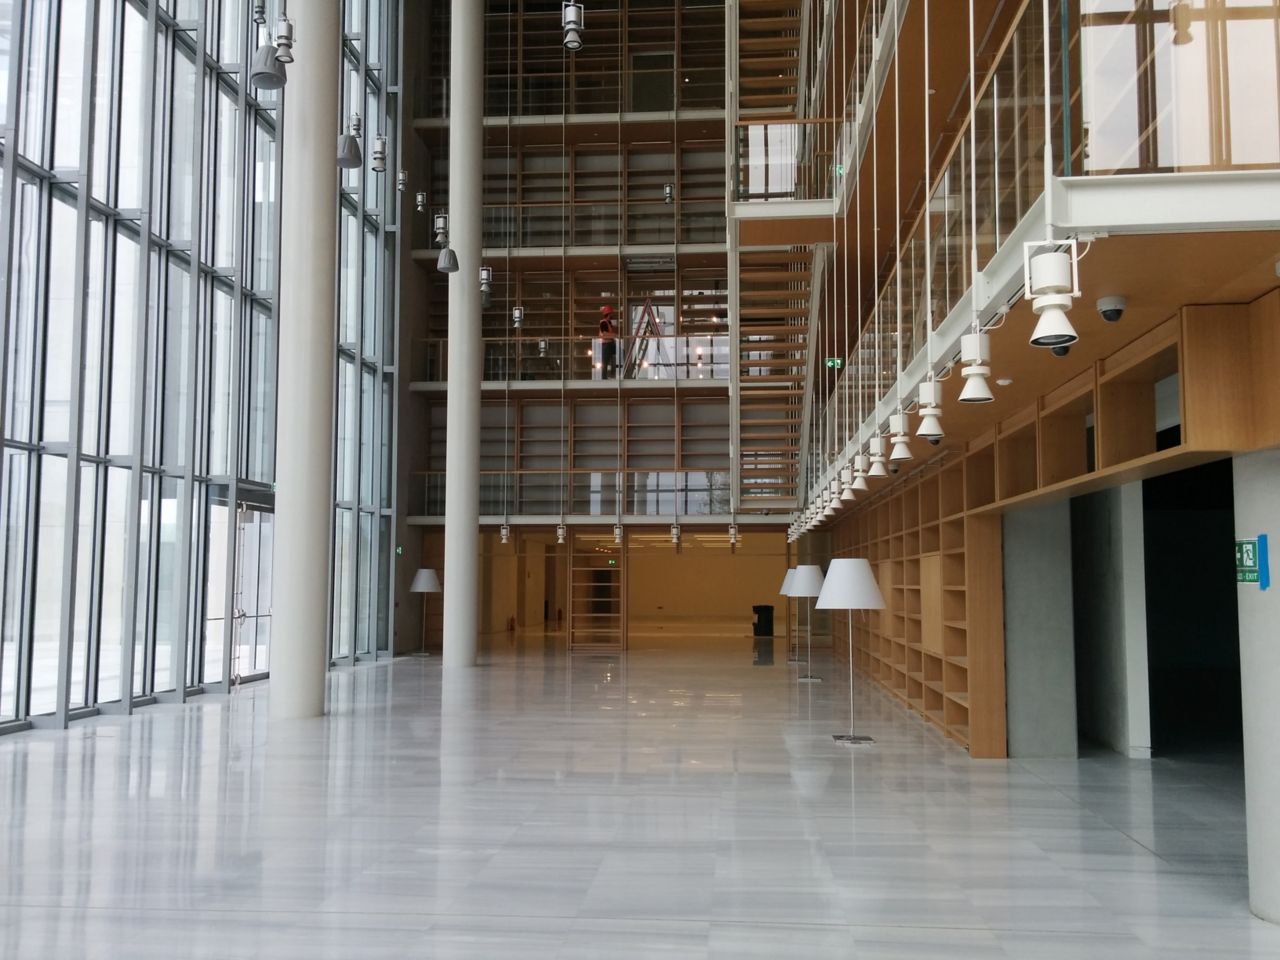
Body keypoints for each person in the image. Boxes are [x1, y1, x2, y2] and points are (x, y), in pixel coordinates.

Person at [598, 304, 619, 379]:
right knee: (605, 362)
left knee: (614, 359)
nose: (612, 315)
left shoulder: (608, 322)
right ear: (608, 314)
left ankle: (612, 375)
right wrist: (614, 335)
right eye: (611, 313)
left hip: (610, 344)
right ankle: (604, 378)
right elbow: (604, 333)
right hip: (606, 345)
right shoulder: (603, 322)